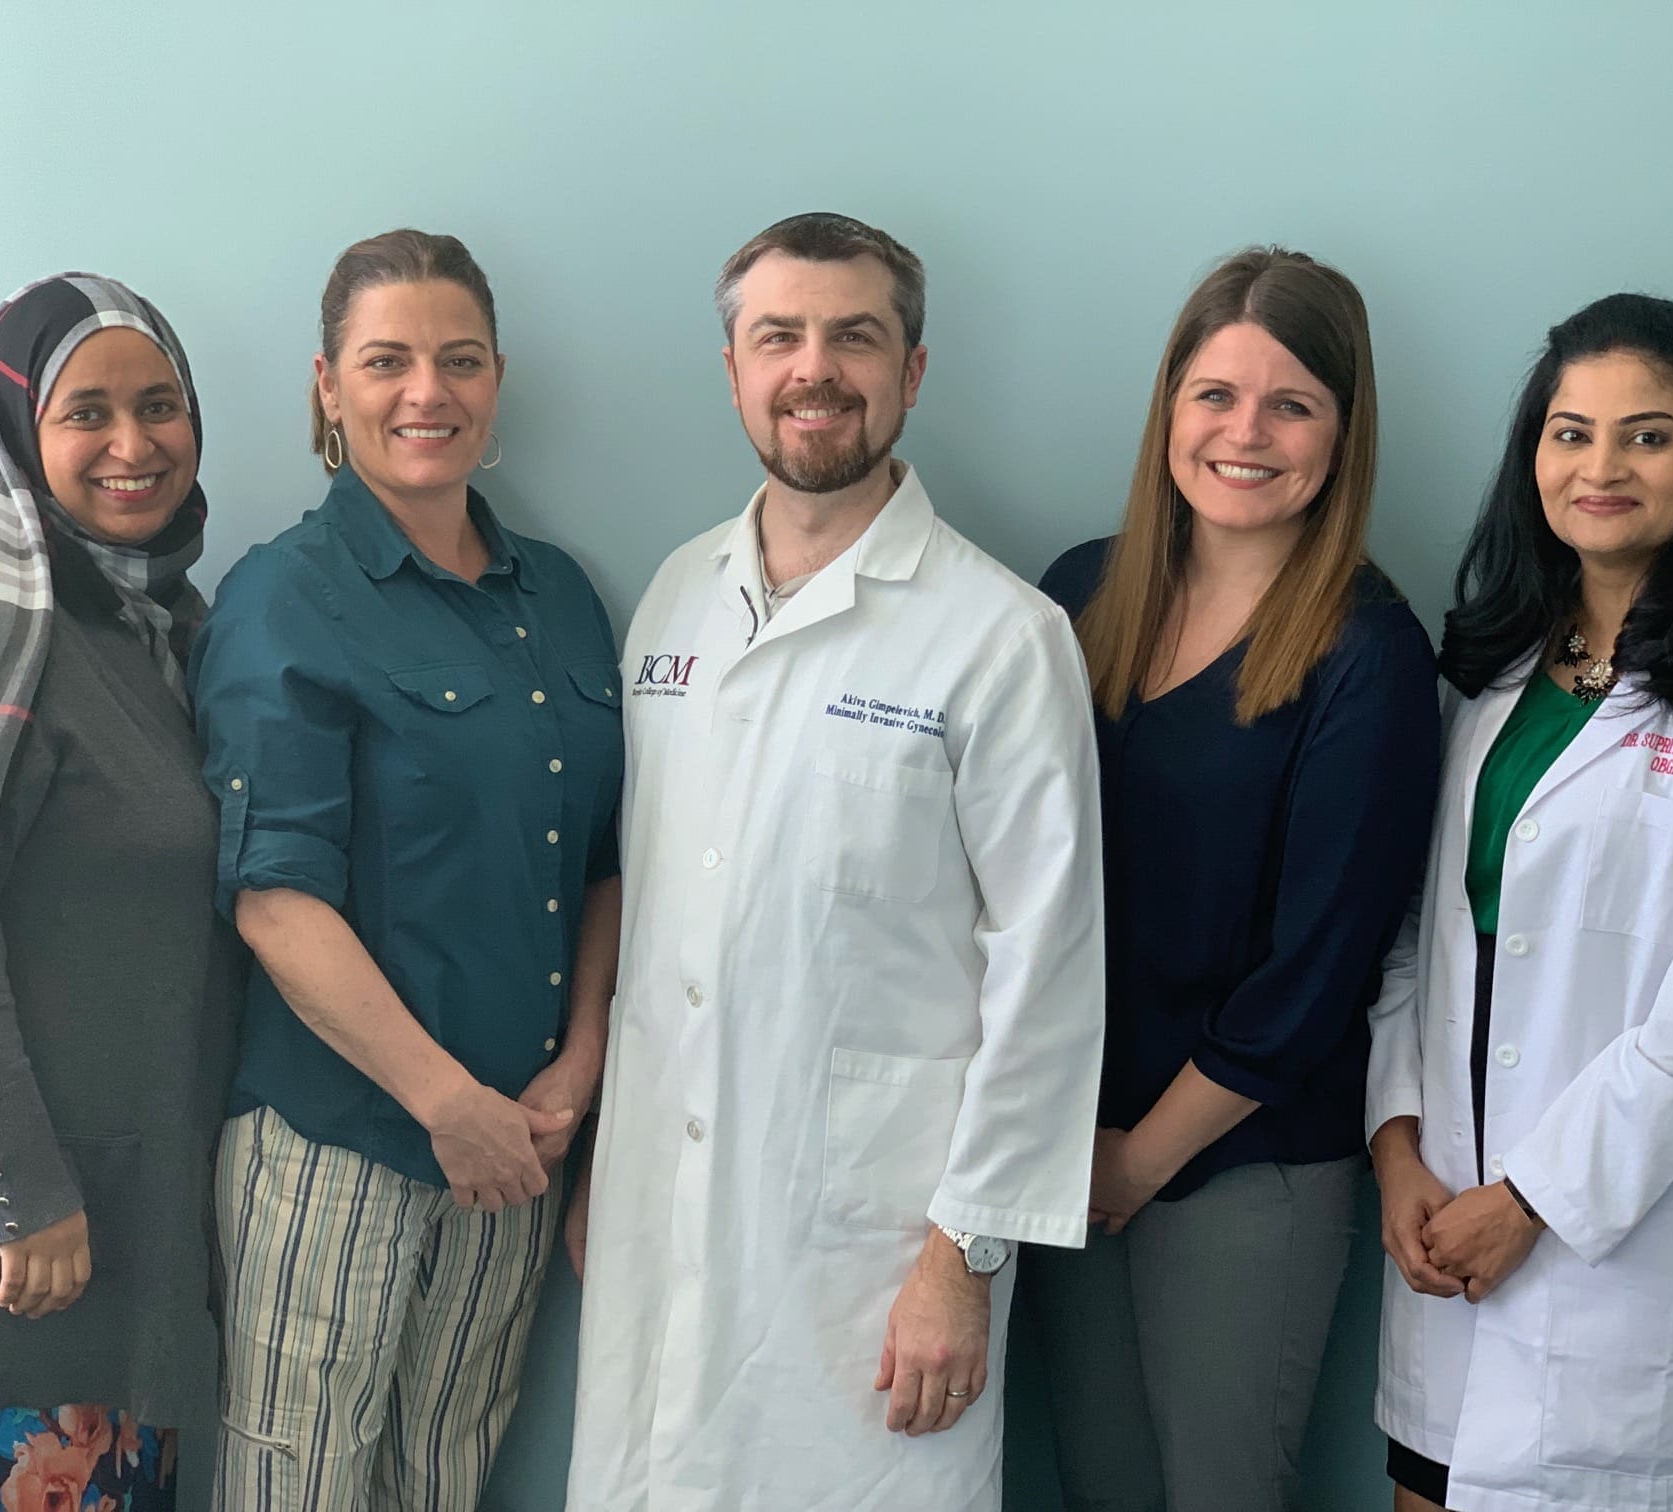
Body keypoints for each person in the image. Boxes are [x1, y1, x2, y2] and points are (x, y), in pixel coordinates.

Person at [562, 211, 1105, 1511]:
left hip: (873, 1255)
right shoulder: (675, 599)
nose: (815, 369)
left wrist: (963, 1261)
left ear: (911, 371)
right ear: (735, 371)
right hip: (660, 1213)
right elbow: (656, 917)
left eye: (854, 338)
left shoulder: (1001, 637)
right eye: (779, 338)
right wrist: (607, 1170)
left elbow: (1048, 973)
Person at [1368, 293, 1673, 1512]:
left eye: (1648, 435)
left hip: (1631, 1258)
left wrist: (1535, 1199)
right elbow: (1418, 937)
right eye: (1570, 433)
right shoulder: (1489, 669)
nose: (1601, 468)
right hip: (1445, 1221)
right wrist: (1396, 1147)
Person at [190, 229, 623, 1511]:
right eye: (386, 362)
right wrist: (446, 1103)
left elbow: (606, 858)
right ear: (330, 386)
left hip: (521, 1147)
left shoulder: (564, 596)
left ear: (497, 381)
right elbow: (276, 900)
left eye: (459, 359)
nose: (426, 392)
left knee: (443, 1482)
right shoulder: (283, 594)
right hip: (343, 1141)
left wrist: (582, 1062)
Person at [1023, 247, 1442, 1511]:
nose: (1245, 434)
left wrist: (1140, 1161)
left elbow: (1315, 973)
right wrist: (1070, 1145)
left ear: (1342, 435)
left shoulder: (1369, 654)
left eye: (1291, 405)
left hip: (1245, 1161)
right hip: (1065, 1141)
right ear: (1169, 410)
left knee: (1221, 1490)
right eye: (1215, 395)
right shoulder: (1077, 593)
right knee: (1101, 1488)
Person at [0, 274, 237, 1509]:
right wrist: (25, 1194)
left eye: (160, 405)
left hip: (122, 1253)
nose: (134, 445)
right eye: (87, 413)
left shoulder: (163, 631)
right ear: (18, 429)